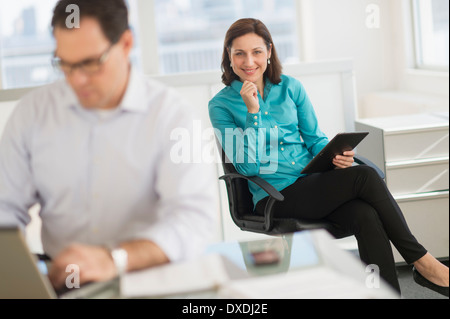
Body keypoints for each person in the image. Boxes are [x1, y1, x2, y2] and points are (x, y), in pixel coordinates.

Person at [208, 18, 449, 296]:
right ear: (229, 56)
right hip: (274, 197)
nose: (249, 61)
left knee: (365, 214)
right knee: (364, 175)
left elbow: (315, 139)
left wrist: (337, 156)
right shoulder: (221, 105)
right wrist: (253, 112)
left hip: (312, 184)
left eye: (257, 52)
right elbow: (247, 166)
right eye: (239, 53)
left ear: (269, 52)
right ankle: (425, 263)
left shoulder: (291, 87)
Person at [0, 0, 216, 291]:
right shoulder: (32, 114)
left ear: (126, 43)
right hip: (65, 285)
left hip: (150, 281)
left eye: (90, 63)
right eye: (65, 64)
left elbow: (194, 222)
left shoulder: (173, 116)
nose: (76, 79)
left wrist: (113, 259)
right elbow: (5, 208)